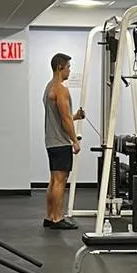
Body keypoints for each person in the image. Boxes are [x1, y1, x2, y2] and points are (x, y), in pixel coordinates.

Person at [42, 51, 83, 230]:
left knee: (54, 180)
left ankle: (50, 216)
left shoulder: (49, 87)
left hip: (51, 141)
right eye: (68, 67)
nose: (69, 71)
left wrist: (76, 116)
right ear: (60, 67)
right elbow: (65, 119)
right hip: (60, 142)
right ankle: (57, 218)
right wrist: (75, 140)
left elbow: (61, 117)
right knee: (60, 180)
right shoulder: (60, 89)